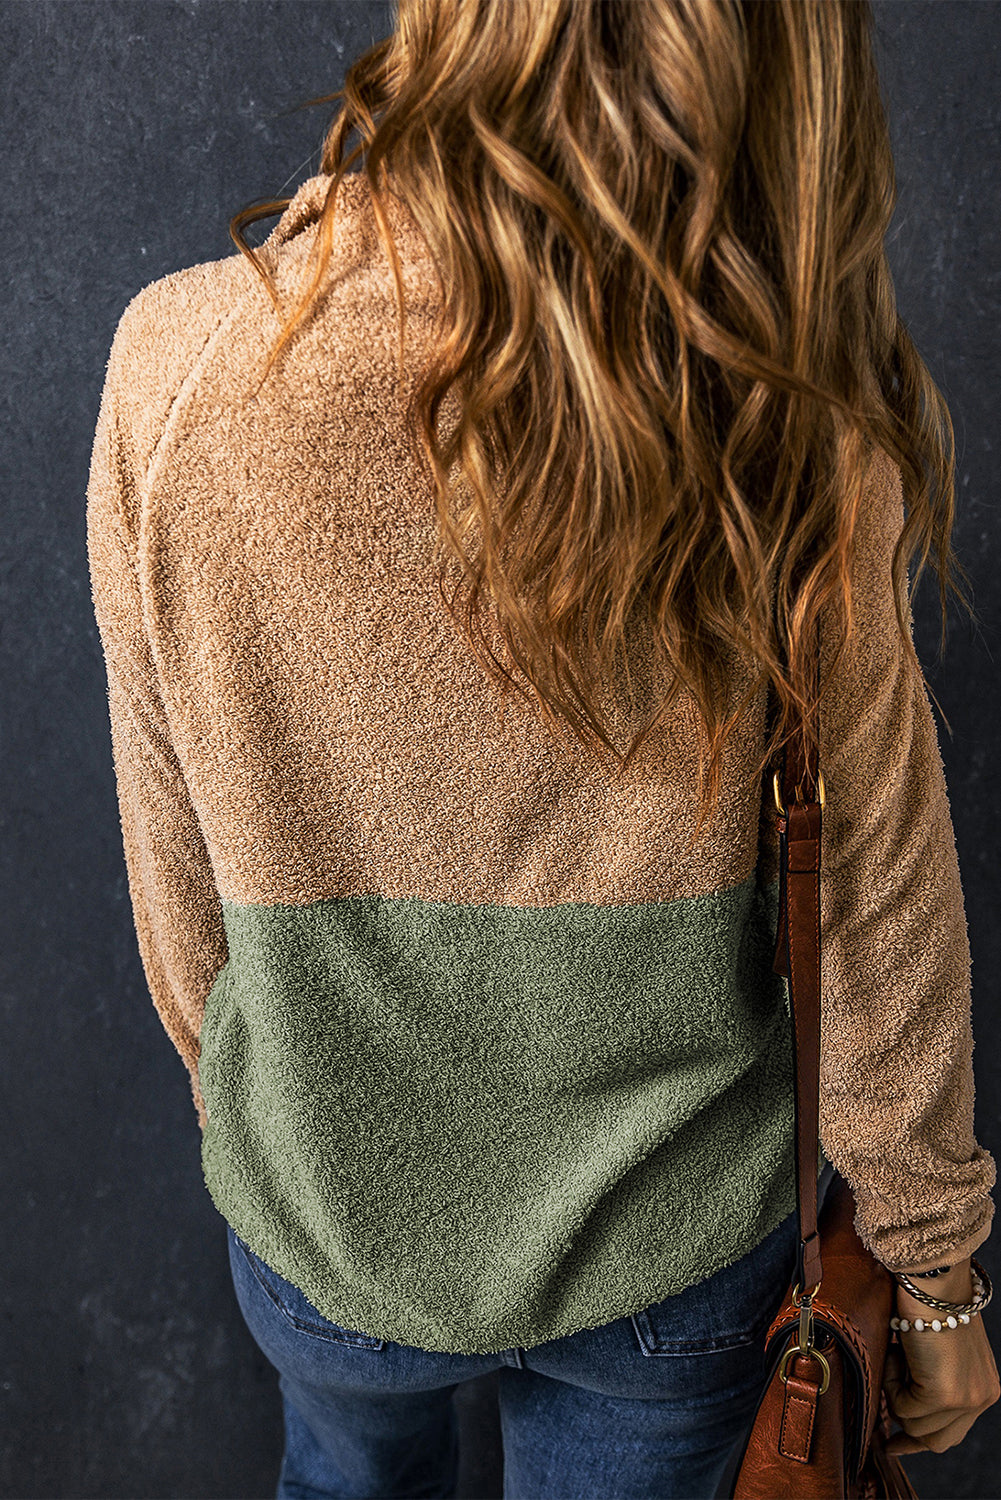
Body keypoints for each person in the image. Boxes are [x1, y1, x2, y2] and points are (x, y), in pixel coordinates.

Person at [85, 1, 1000, 1496]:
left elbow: (169, 846)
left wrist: (275, 1122)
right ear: (785, 76)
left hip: (326, 1227)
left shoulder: (179, 366)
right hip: (671, 1256)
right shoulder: (789, 426)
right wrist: (935, 1273)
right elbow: (880, 899)